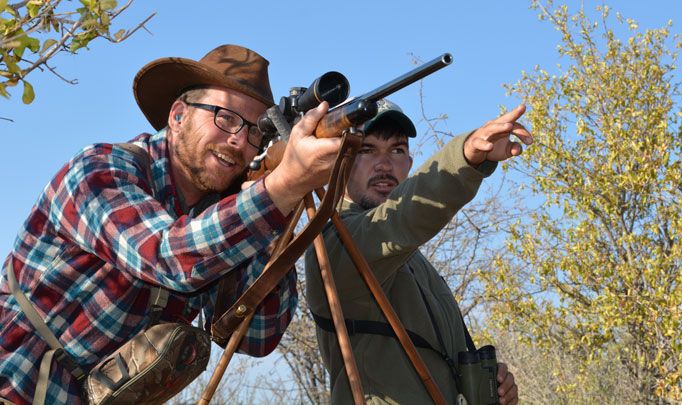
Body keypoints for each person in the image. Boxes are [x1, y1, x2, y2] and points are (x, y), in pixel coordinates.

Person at [0, 45, 341, 404]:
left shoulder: (226, 218)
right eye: (225, 117)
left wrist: (277, 216)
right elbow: (167, 256)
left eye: (257, 131)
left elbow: (256, 336)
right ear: (178, 116)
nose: (239, 140)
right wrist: (280, 189)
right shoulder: (99, 170)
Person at [305, 99, 530, 404]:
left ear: (409, 165)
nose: (385, 165)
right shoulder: (332, 244)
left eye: (397, 150)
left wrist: (492, 387)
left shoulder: (413, 259)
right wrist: (465, 158)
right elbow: (402, 217)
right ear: (337, 163)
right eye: (366, 150)